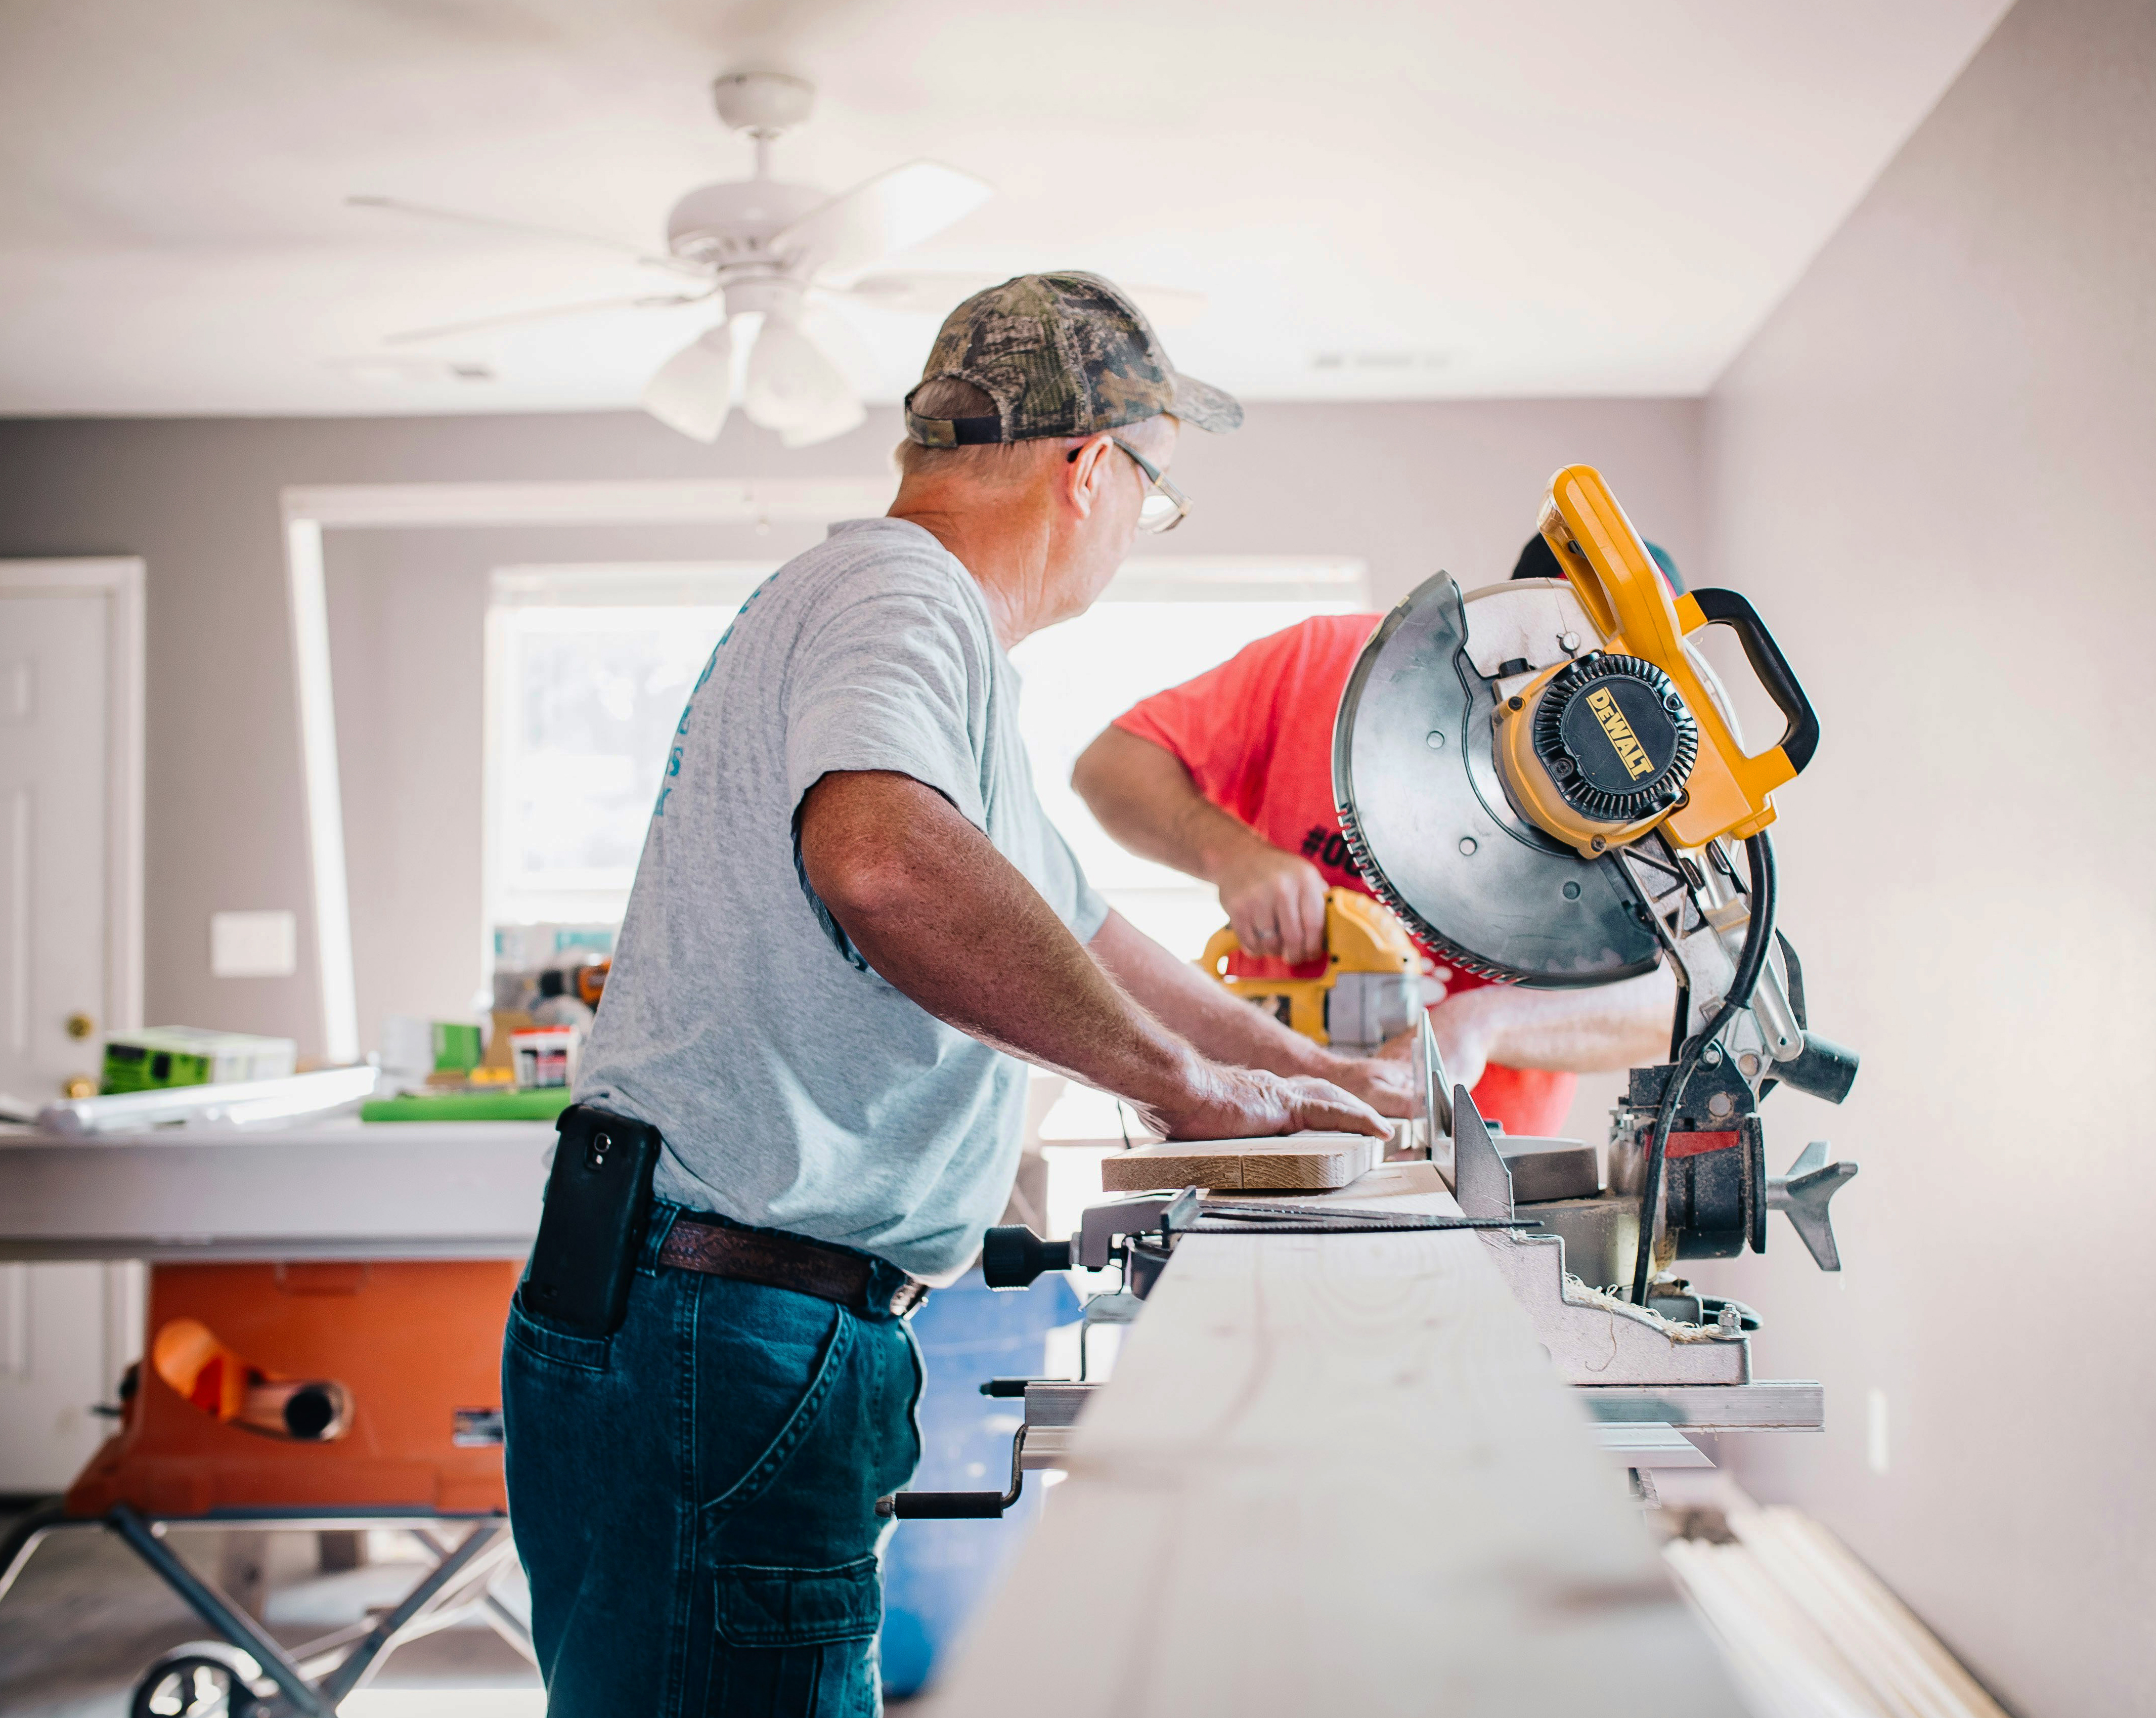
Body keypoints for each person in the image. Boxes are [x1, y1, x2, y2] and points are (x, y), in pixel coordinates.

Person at [502, 273, 1418, 1718]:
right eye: (1152, 494)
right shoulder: (899, 592)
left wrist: (1313, 1086)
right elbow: (882, 864)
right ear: (1091, 468)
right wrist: (1185, 1090)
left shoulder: (923, 650)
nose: (1130, 529)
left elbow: (1092, 935)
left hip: (721, 1314)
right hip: (724, 1322)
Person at [1072, 535, 1685, 1138]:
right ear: (1508, 613)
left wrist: (1485, 1021)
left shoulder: (1652, 798)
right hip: (1268, 1119)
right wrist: (1232, 855)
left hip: (1483, 1162)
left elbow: (1679, 1001)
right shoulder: (1326, 663)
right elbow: (1110, 767)